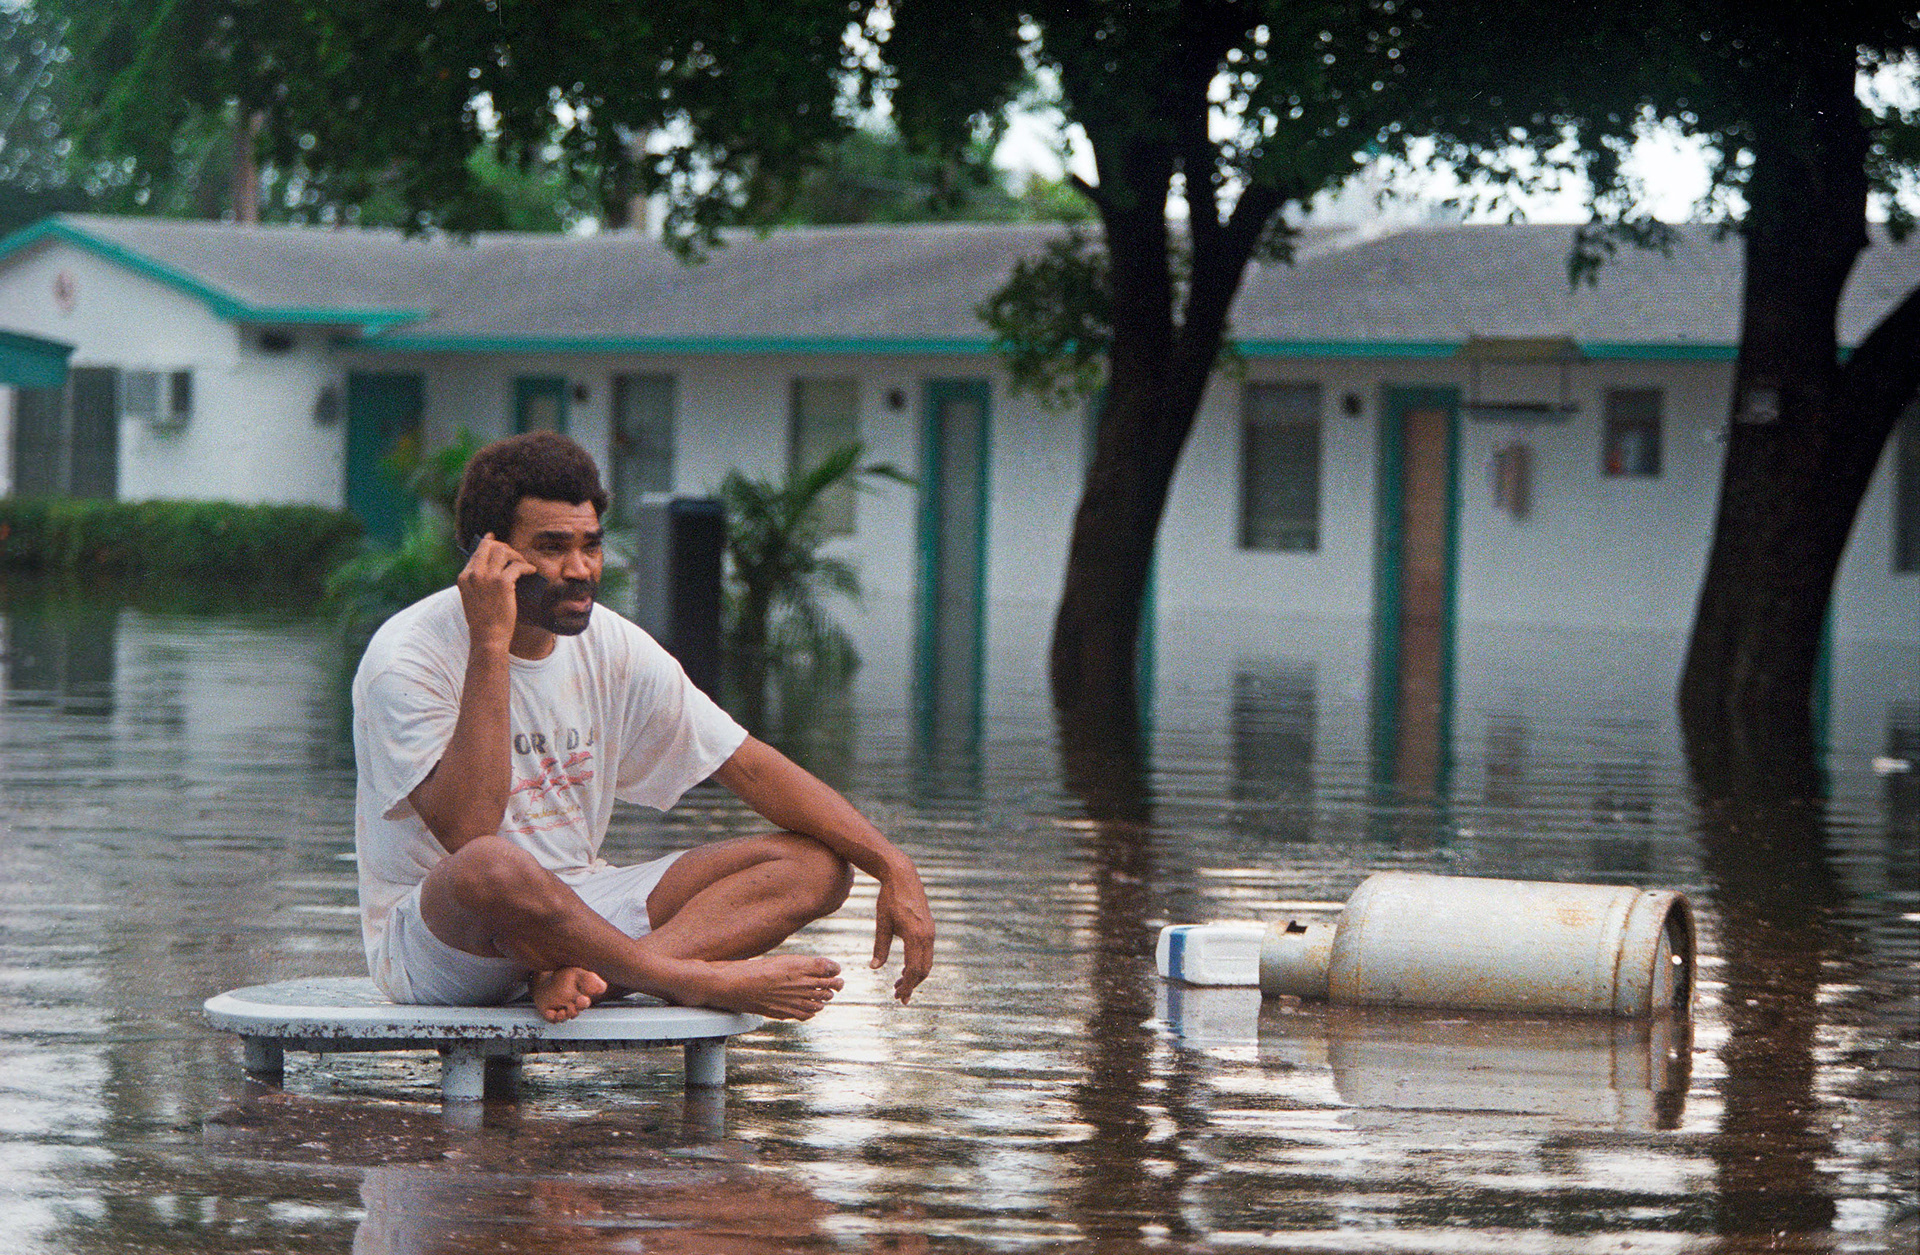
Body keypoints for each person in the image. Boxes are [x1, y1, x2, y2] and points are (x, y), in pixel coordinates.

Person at [351, 431, 933, 1024]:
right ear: (488, 556)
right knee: (491, 864)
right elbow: (470, 830)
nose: (580, 570)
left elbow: (749, 766)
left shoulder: (612, 643)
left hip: (577, 909)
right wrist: (490, 644)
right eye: (552, 548)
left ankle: (595, 978)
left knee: (818, 865)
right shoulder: (408, 657)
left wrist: (892, 863)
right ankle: (687, 979)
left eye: (591, 546)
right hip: (442, 939)